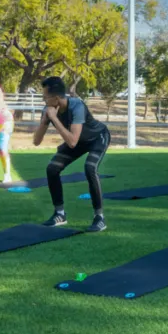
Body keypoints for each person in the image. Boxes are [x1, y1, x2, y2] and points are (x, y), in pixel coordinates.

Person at [32, 76, 109, 232]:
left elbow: (72, 141)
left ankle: (99, 217)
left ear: (56, 98)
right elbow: (36, 141)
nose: (43, 100)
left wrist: (54, 118)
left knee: (90, 168)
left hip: (97, 138)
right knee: (52, 168)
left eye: (45, 97)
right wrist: (45, 121)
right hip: (77, 140)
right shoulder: (47, 110)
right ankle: (59, 214)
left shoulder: (76, 106)